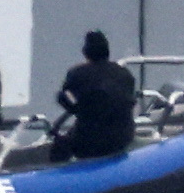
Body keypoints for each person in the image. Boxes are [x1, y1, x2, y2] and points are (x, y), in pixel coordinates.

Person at [54, 28, 140, 162]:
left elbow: (65, 99)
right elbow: (129, 100)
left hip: (90, 139)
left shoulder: (78, 74)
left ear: (85, 51)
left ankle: (56, 176)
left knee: (59, 147)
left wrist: (81, 110)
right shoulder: (124, 73)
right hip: (123, 138)